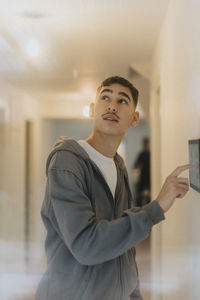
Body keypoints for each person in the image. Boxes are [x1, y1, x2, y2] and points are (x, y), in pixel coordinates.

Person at [35, 76, 193, 300]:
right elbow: (86, 245)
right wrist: (156, 208)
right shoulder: (66, 162)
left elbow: (124, 246)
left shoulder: (118, 165)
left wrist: (133, 293)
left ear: (135, 118)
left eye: (123, 101)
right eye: (105, 97)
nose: (112, 105)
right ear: (92, 109)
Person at [133, 137, 150, 207]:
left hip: (149, 179)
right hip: (142, 180)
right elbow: (135, 166)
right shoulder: (141, 155)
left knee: (149, 198)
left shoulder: (151, 154)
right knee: (139, 198)